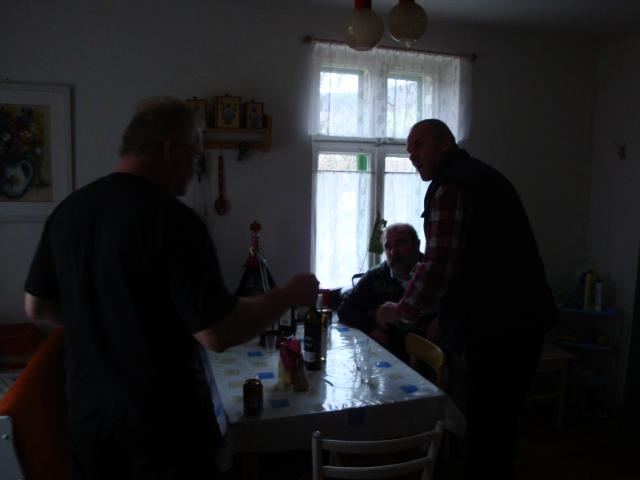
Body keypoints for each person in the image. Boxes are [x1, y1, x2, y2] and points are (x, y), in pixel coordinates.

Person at [23, 97, 319, 479]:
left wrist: (99, 320)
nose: (196, 170)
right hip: (164, 430)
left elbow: (36, 307)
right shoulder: (174, 221)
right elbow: (218, 332)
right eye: (196, 156)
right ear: (171, 150)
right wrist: (287, 296)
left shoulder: (68, 212)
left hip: (89, 421)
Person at [376, 119, 557, 479]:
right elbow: (459, 262)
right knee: (497, 428)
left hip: (499, 329)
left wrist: (401, 311)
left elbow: (440, 264)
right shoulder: (480, 176)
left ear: (446, 142)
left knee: (486, 428)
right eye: (409, 150)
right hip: (517, 324)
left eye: (419, 145)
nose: (412, 155)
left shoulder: (452, 185)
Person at [337, 223, 434, 360]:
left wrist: (440, 319)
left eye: (400, 244)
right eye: (388, 246)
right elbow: (345, 309)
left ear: (416, 245)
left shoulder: (434, 272)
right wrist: (371, 328)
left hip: (430, 357)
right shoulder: (376, 276)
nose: (393, 252)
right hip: (390, 356)